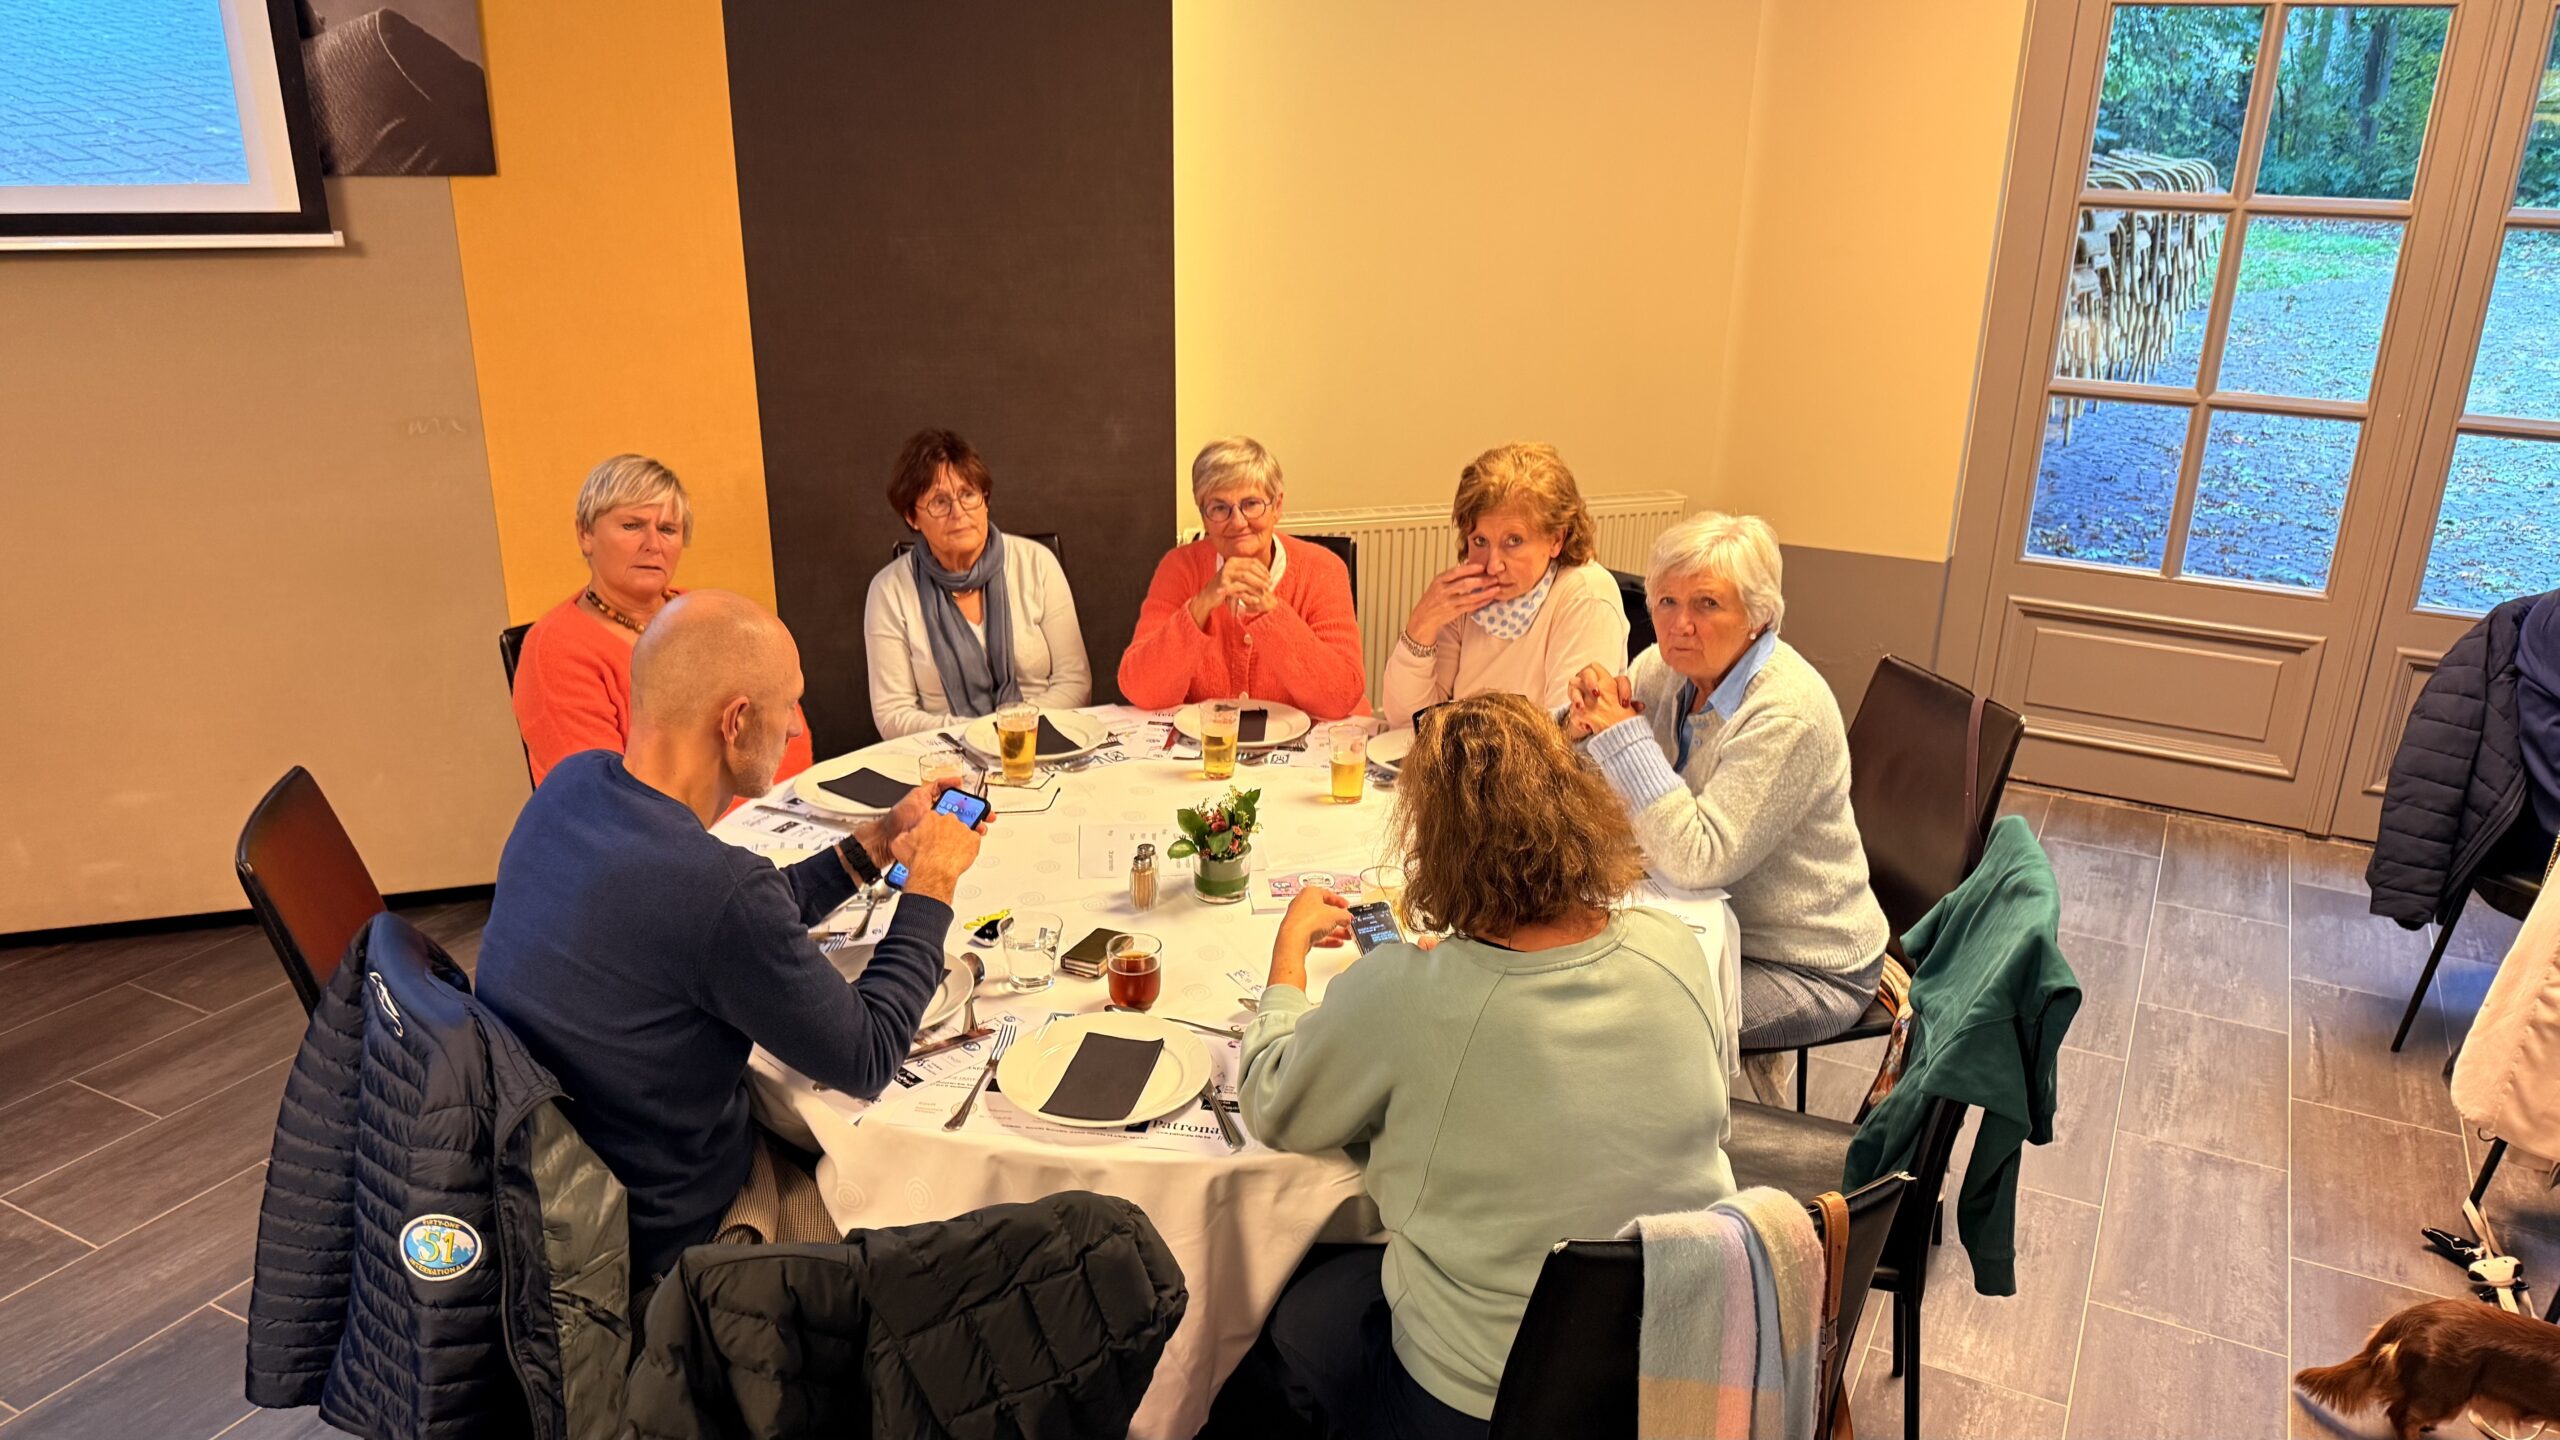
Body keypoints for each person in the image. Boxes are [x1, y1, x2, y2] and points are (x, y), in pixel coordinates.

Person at [1209, 693, 1735, 1439]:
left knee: (1286, 1311)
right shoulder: (1671, 946)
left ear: (1433, 844)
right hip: (1672, 1371)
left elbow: (1272, 1102)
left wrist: (1287, 960)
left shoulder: (1406, 996)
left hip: (1481, 1403)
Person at [477, 592, 987, 1283]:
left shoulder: (571, 788)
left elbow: (734, 921)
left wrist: (877, 842)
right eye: (790, 705)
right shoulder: (714, 891)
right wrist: (931, 883)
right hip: (674, 1239)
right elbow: (868, 1056)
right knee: (931, 1232)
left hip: (555, 1194)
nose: (796, 725)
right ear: (737, 721)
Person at [1567, 511, 1889, 1050]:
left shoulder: (1787, 712)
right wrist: (1579, 724)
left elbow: (1699, 860)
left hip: (1799, 961)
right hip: (1697, 925)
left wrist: (1622, 738)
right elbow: (1593, 777)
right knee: (1561, 974)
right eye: (1666, 601)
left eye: (1707, 604)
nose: (1680, 624)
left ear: (1758, 616)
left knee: (1623, 1024)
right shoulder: (1664, 669)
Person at [510, 454, 813, 787]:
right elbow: (603, 795)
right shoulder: (554, 650)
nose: (652, 545)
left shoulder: (712, 617)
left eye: (668, 529)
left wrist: (775, 805)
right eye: (632, 526)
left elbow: (785, 729)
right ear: (586, 534)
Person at [1378, 442, 1629, 729]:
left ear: (1556, 539)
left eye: (1514, 541)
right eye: (1480, 541)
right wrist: (1421, 625)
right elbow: (1407, 722)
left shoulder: (1586, 596)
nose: (1493, 565)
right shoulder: (1466, 593)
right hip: (1468, 753)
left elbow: (1564, 736)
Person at [864, 429, 1092, 739]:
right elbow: (893, 715)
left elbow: (1075, 684)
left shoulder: (1037, 563)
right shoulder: (888, 591)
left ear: (985, 500)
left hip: (1043, 740)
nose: (958, 513)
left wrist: (1014, 729)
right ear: (912, 517)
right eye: (940, 502)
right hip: (944, 752)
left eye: (968, 494)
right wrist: (978, 735)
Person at [1118, 437, 1368, 719]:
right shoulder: (1179, 567)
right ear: (1204, 517)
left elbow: (1340, 698)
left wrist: (1269, 612)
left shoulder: (1323, 569)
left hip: (1306, 741)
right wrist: (1202, 603)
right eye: (1219, 508)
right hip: (1211, 740)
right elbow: (1142, 690)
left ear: (1277, 506)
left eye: (1251, 504)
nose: (1238, 522)